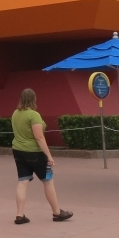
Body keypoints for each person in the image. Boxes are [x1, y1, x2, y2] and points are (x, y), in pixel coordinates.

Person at [11, 89, 72, 224]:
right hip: (35, 152)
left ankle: (19, 215)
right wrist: (49, 156)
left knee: (22, 181)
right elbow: (39, 137)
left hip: (18, 151)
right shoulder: (34, 115)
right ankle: (57, 213)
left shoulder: (15, 113)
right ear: (34, 99)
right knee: (47, 181)